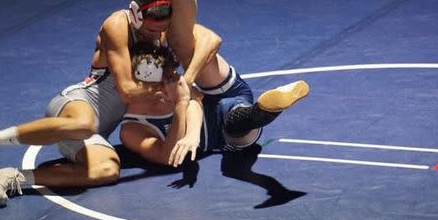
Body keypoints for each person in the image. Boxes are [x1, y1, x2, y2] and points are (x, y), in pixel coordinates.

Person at [0, 0, 214, 206]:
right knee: (84, 123)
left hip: (96, 130)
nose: (157, 36)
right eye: (150, 30)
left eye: (162, 30)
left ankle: (9, 177)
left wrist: (188, 76)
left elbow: (208, 37)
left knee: (108, 171)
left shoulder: (159, 31)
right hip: (79, 103)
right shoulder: (117, 24)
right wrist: (170, 85)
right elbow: (125, 89)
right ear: (135, 16)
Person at [119, 36, 310, 168]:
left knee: (235, 120)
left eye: (169, 76)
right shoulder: (132, 130)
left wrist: (192, 134)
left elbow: (195, 98)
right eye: (161, 79)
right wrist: (179, 104)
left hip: (222, 104)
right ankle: (266, 108)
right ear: (138, 82)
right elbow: (166, 157)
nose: (170, 81)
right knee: (239, 133)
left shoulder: (172, 81)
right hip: (223, 139)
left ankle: (264, 109)